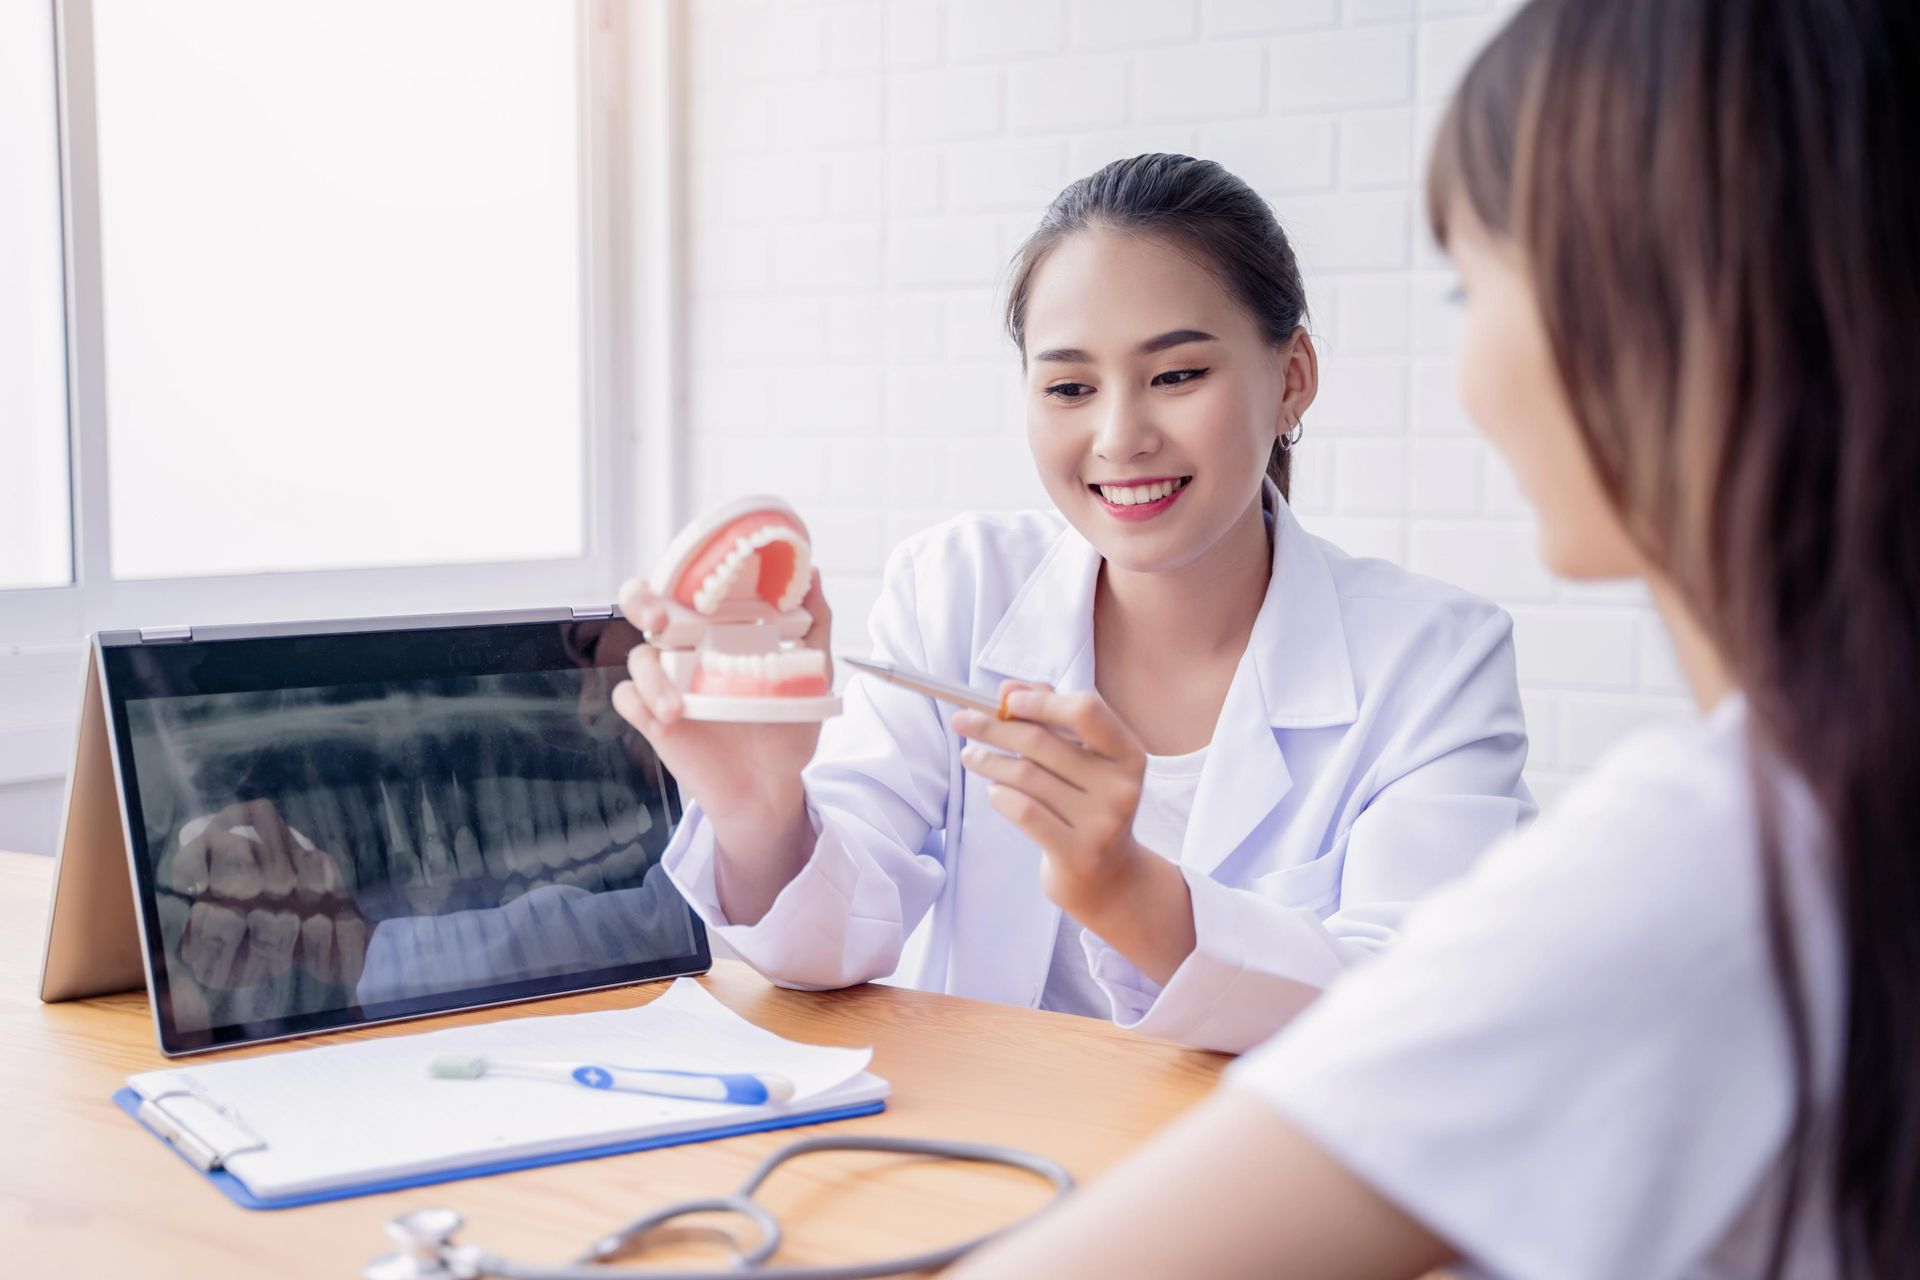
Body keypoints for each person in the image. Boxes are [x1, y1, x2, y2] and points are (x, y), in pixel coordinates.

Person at [952, 0, 1920, 1275]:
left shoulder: (1711, 862)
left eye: (1478, 285)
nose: (1469, 370)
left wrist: (1144, 898)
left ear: (1668, 314)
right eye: (1070, 382)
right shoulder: (1839, 802)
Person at [615, 154, 1533, 1053]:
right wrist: (759, 806)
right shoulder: (958, 589)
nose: (1120, 436)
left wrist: (1127, 889)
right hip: (986, 1155)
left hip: (1262, 1183)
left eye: (1177, 376)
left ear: (1291, 375)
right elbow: (834, 947)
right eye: (1069, 388)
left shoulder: (1437, 659)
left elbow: (1411, 1017)